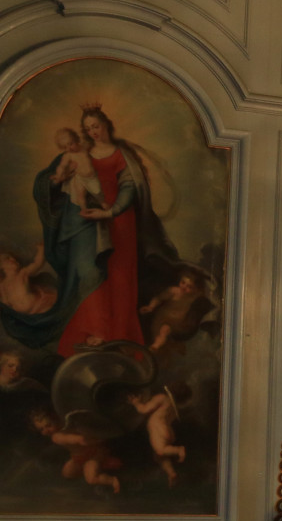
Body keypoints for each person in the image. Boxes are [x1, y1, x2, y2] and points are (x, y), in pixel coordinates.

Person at [0, 105, 182, 357]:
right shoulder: (80, 151)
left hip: (118, 221)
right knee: (90, 274)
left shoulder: (122, 155)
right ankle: (93, 331)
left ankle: (119, 336)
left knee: (119, 277)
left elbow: (129, 187)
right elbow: (49, 181)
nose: (93, 131)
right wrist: (57, 180)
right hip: (87, 224)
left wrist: (109, 212)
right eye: (88, 129)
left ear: (106, 124)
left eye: (96, 126)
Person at [30, 407, 120, 493]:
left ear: (56, 419)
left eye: (48, 425)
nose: (46, 431)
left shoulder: (56, 436)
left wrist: (87, 440)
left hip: (93, 453)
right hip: (78, 457)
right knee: (67, 473)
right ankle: (94, 470)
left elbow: (79, 439)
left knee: (91, 479)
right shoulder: (64, 427)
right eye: (41, 429)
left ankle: (112, 480)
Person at [127, 388, 185, 485]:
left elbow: (144, 409)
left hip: (157, 428)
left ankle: (179, 450)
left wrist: (136, 403)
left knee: (160, 451)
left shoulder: (162, 398)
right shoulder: (174, 408)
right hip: (168, 431)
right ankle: (171, 473)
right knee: (159, 456)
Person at [49, 128, 101, 212]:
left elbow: (93, 146)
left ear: (76, 140)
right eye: (65, 147)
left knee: (100, 195)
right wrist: (58, 175)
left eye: (71, 144)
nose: (69, 148)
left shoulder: (84, 148)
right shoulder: (68, 155)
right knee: (80, 195)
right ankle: (84, 210)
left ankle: (107, 209)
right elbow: (61, 167)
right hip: (80, 178)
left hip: (92, 177)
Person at [0, 245, 55, 315]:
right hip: (23, 314)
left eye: (14, 258)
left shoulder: (22, 274)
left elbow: (37, 264)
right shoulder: (2, 285)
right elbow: (5, 302)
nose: (13, 259)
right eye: (7, 258)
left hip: (37, 305)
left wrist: (41, 249)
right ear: (1, 266)